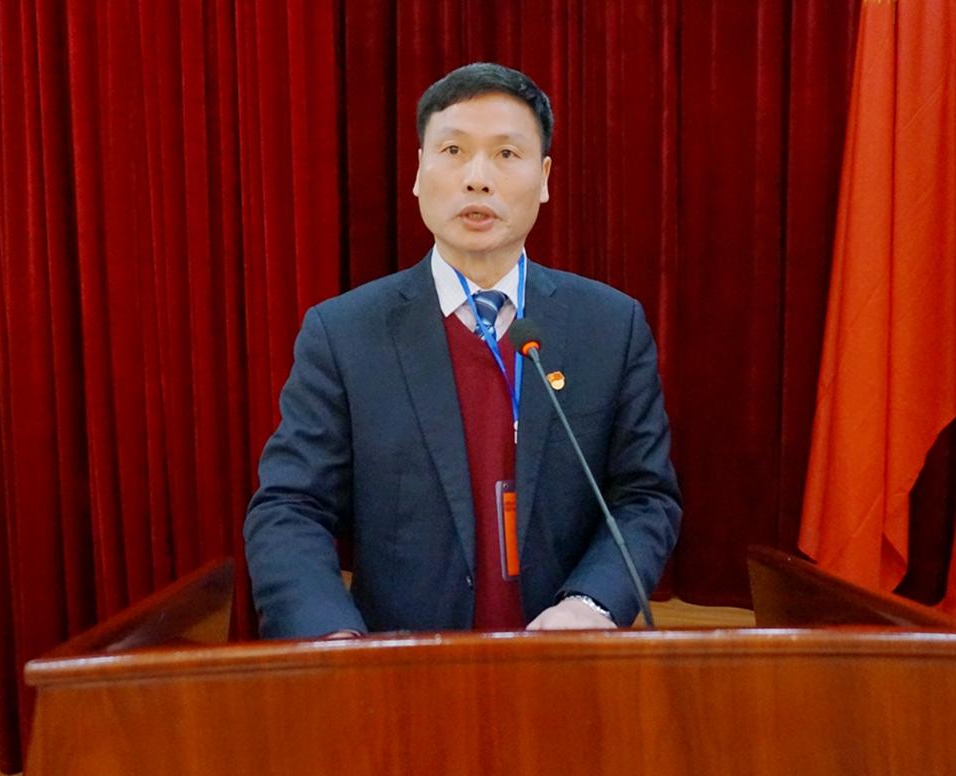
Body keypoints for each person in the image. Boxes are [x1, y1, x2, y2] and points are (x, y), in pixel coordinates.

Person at [244, 62, 681, 639]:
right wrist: (332, 638)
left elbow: (645, 496)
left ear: (544, 177)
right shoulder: (345, 334)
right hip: (400, 665)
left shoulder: (609, 326)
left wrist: (592, 603)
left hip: (565, 661)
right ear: (419, 172)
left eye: (506, 154)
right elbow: (290, 507)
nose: (478, 179)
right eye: (453, 151)